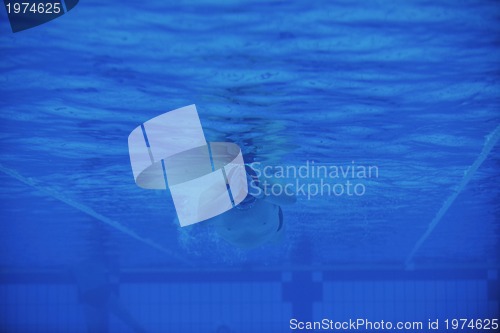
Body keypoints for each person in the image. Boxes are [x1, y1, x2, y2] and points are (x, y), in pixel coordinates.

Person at [210, 165, 295, 248]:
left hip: (275, 233)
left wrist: (261, 194)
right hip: (270, 232)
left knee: (279, 244)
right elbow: (199, 222)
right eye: (239, 199)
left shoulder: (264, 183)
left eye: (250, 196)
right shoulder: (217, 195)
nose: (246, 202)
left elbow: (292, 199)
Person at [72, 257, 148, 333]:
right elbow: (115, 270)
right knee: (129, 320)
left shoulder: (77, 263)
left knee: (92, 329)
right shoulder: (99, 260)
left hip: (89, 296)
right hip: (102, 292)